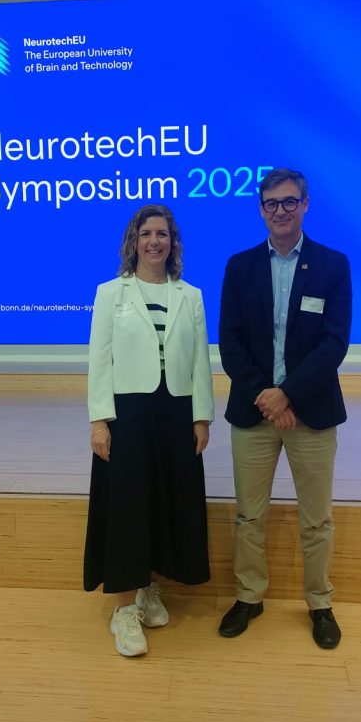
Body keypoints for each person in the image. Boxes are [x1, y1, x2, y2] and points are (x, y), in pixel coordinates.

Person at [218, 168, 352, 649]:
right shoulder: (239, 267)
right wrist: (268, 396)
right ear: (261, 209)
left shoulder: (333, 265)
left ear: (305, 204)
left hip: (311, 412)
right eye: (272, 203)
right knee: (249, 516)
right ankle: (249, 596)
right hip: (254, 412)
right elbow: (231, 343)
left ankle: (319, 603)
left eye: (289, 201)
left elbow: (334, 343)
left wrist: (288, 393)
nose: (281, 210)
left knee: (316, 519)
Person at [84, 204, 214, 657]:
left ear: (172, 242)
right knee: (127, 507)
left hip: (176, 411)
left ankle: (148, 588)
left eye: (162, 233)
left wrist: (201, 417)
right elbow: (99, 359)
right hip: (128, 413)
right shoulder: (110, 293)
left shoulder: (190, 296)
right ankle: (123, 611)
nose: (154, 241)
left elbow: (199, 361)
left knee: (164, 502)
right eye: (146, 234)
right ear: (133, 241)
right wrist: (99, 420)